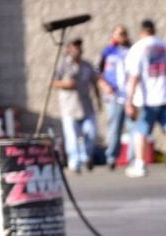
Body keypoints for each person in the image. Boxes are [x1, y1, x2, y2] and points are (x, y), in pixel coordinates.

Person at [123, 19, 166, 177]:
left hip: (147, 99)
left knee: (141, 131)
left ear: (141, 32)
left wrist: (129, 100)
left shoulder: (138, 48)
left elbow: (134, 76)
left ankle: (140, 163)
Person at [52, 39, 100, 173]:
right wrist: (65, 84)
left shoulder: (87, 65)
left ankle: (86, 157)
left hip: (86, 106)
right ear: (69, 49)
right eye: (74, 47)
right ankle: (75, 162)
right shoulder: (63, 65)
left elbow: (94, 83)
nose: (77, 50)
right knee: (72, 136)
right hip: (69, 107)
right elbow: (53, 82)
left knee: (91, 132)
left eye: (78, 47)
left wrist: (99, 101)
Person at [97, 25, 132, 171]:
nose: (121, 36)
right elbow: (98, 72)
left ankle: (133, 158)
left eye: (124, 33)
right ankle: (112, 157)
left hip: (130, 96)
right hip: (114, 96)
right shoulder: (108, 52)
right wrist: (105, 86)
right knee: (114, 127)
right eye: (119, 34)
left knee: (133, 128)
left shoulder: (132, 50)